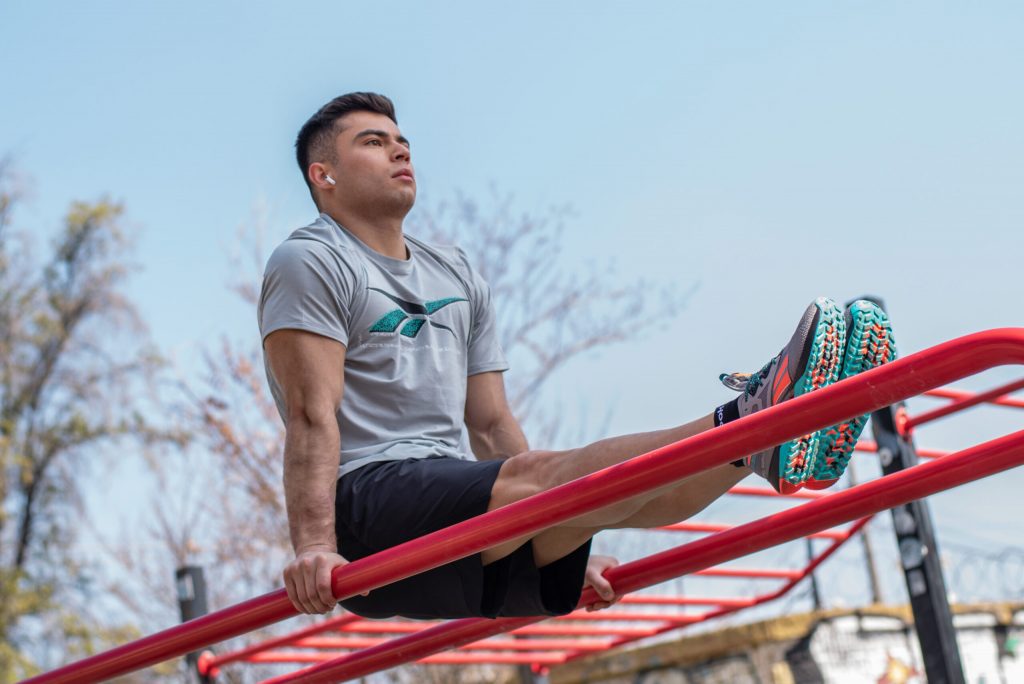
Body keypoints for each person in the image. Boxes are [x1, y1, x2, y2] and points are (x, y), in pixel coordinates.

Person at [258, 92, 896, 620]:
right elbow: (313, 416)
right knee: (550, 477)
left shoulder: (453, 272)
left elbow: (489, 423)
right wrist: (315, 547)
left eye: (403, 141)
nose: (399, 149)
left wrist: (553, 534)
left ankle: (753, 442)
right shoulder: (311, 259)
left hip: (447, 506)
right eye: (372, 141)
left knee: (591, 495)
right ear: (325, 175)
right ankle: (752, 417)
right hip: (367, 508)